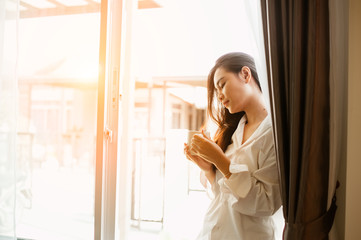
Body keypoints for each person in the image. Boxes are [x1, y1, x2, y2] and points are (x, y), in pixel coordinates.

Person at [184, 52, 282, 240]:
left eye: (222, 85)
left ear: (245, 74)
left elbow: (266, 203)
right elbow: (223, 196)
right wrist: (208, 169)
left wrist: (219, 159)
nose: (219, 96)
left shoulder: (273, 133)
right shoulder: (233, 130)